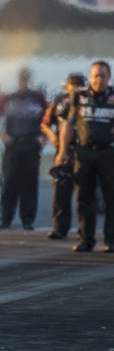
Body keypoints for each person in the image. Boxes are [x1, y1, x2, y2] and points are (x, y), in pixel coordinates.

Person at [55, 60, 114, 252]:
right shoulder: (79, 96)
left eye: (103, 76)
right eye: (95, 76)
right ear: (90, 77)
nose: (99, 80)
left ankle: (111, 240)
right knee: (83, 197)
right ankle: (85, 240)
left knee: (111, 197)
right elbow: (68, 125)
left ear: (109, 77)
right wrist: (63, 151)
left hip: (108, 153)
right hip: (84, 152)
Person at [0, 67, 48, 230]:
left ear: (30, 79)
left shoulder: (38, 97)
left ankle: (27, 219)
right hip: (13, 144)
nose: (24, 81)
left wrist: (45, 137)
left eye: (26, 78)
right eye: (21, 78)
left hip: (31, 143)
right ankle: (6, 218)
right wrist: (0, 134)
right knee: (9, 181)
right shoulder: (9, 97)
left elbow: (50, 116)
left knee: (29, 182)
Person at [41, 73, 85, 239]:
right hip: (63, 150)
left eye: (78, 85)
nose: (74, 88)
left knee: (84, 192)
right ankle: (60, 227)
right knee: (61, 189)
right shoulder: (59, 101)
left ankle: (84, 230)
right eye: (72, 85)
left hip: (83, 149)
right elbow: (45, 123)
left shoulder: (87, 100)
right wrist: (53, 137)